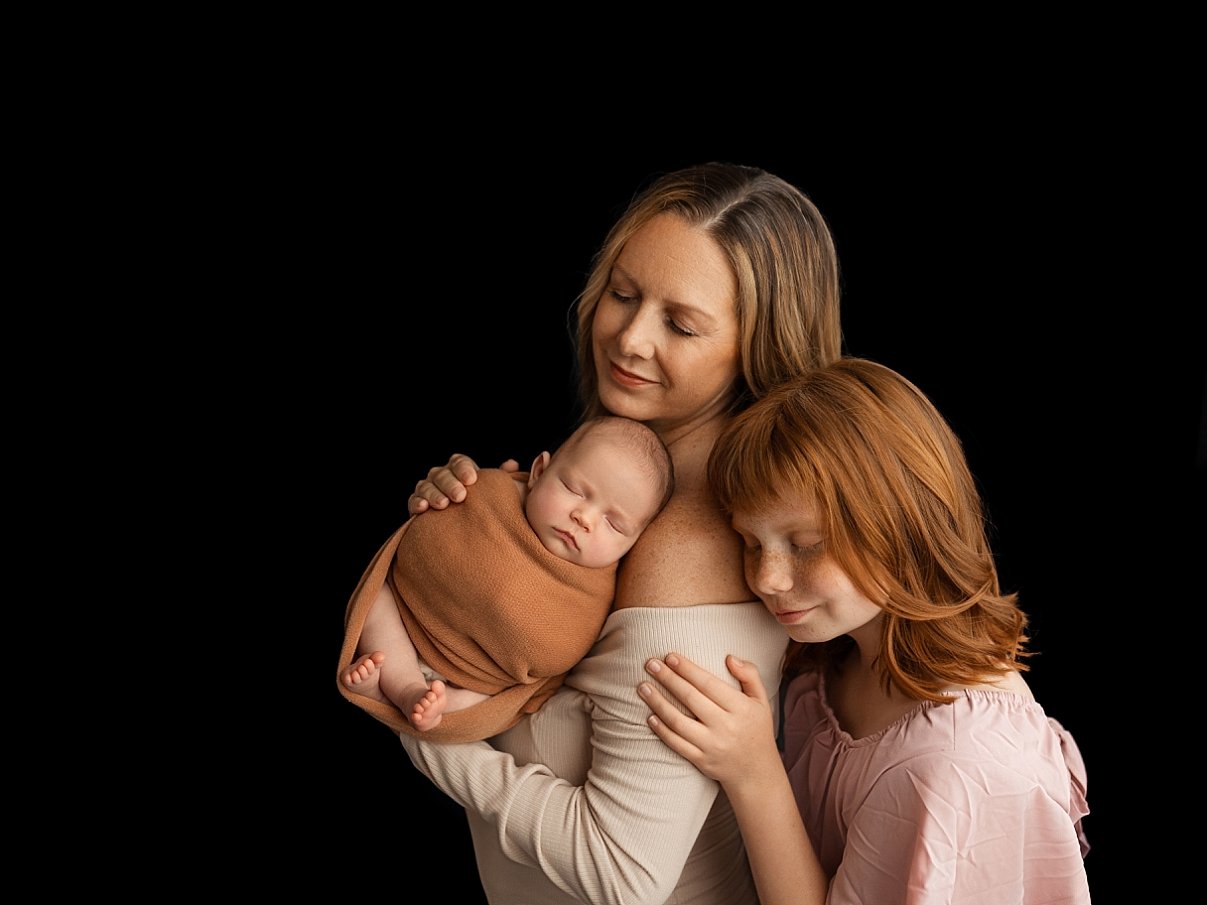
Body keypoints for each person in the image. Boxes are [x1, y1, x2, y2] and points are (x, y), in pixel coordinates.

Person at [385, 162, 842, 904]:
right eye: (622, 294)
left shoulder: (686, 560)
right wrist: (459, 538)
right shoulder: (615, 492)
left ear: (757, 348)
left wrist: (416, 712)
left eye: (681, 324)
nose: (628, 338)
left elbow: (624, 873)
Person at [637, 357, 1091, 905]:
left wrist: (753, 773)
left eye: (806, 544)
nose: (767, 577)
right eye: (751, 544)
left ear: (905, 525)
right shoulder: (841, 656)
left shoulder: (957, 768)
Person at [336, 415, 674, 742]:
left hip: (474, 680)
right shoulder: (491, 491)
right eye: (573, 489)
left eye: (614, 524)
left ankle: (413, 701)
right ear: (539, 471)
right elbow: (427, 541)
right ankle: (402, 685)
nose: (584, 518)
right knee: (378, 602)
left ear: (634, 543)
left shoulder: (595, 596)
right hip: (408, 617)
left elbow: (556, 659)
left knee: (478, 702)